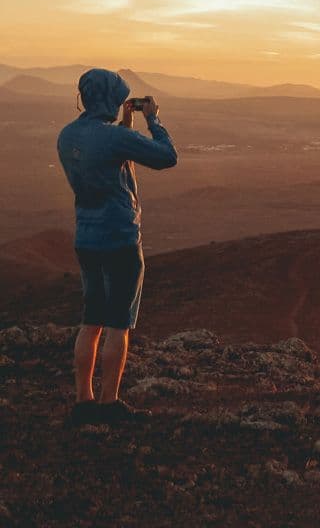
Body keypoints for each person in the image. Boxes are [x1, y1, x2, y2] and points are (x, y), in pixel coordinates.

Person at [57, 69, 177, 425]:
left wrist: (123, 124)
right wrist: (153, 118)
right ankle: (109, 403)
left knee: (91, 320)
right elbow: (166, 156)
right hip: (120, 239)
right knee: (117, 325)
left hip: (87, 239)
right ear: (110, 97)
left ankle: (84, 401)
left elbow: (106, 154)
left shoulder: (68, 135)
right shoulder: (111, 139)